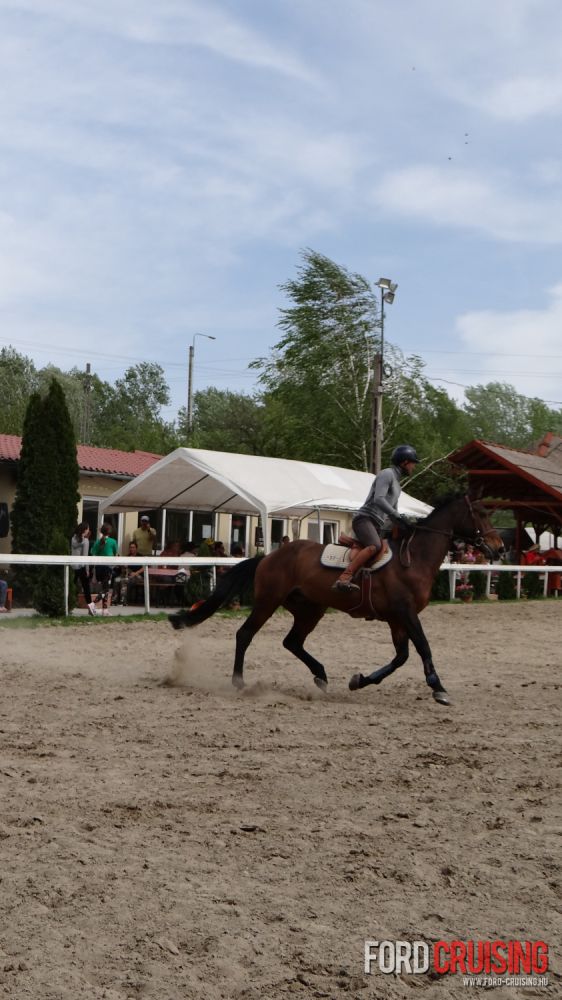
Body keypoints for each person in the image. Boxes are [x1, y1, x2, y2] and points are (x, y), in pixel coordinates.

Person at [332, 444, 420, 592]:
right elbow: (379, 499)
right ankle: (344, 578)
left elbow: (393, 512)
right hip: (364, 519)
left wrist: (404, 523)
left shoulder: (397, 486)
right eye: (413, 463)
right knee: (375, 546)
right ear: (404, 462)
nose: (414, 467)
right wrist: (396, 515)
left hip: (376, 525)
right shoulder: (387, 474)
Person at [91, 522, 118, 614]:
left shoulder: (98, 542)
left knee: (104, 588)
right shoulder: (113, 541)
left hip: (99, 568)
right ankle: (93, 603)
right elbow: (115, 553)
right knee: (106, 589)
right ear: (109, 532)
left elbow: (93, 552)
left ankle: (105, 609)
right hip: (107, 568)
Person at [71, 521, 97, 616]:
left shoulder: (73, 538)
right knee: (86, 588)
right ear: (84, 530)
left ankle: (67, 604)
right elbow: (85, 556)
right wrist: (87, 570)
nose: (89, 530)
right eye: (88, 529)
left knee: (71, 586)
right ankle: (91, 608)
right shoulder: (85, 541)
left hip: (73, 566)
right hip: (81, 567)